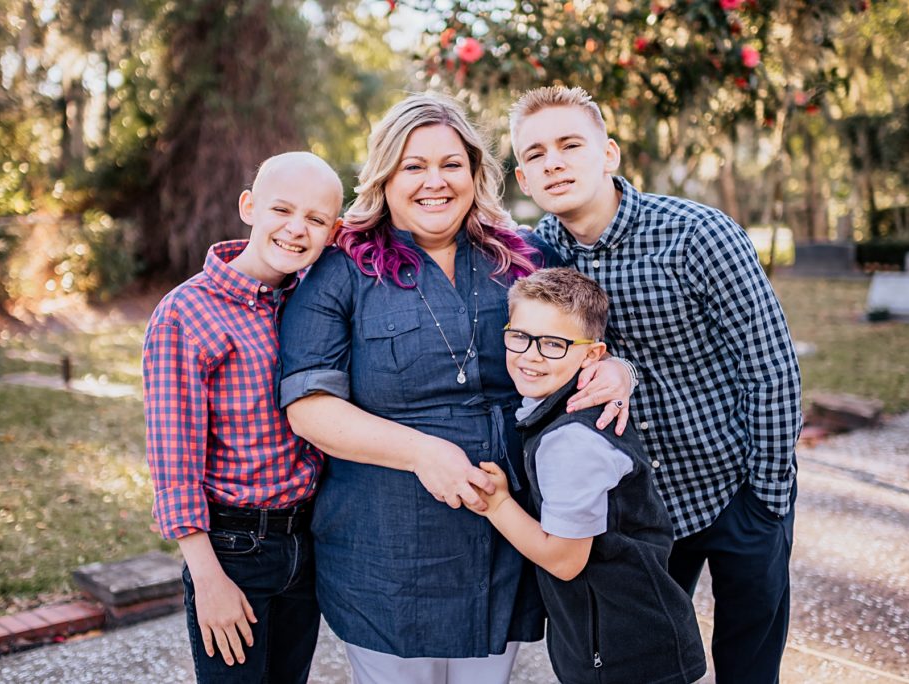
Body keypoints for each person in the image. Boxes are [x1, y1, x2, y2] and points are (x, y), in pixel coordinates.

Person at [276, 93, 633, 684]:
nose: (433, 182)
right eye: (413, 166)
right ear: (386, 178)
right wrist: (424, 453)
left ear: (475, 172)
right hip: (386, 548)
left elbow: (582, 344)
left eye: (451, 164)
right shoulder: (342, 269)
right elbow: (311, 408)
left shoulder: (524, 258)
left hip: (503, 537)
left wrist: (619, 370)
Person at [510, 85, 802, 684]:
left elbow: (770, 365)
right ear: (523, 174)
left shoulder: (696, 235)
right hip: (638, 507)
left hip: (732, 485)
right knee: (646, 664)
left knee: (750, 662)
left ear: (609, 154)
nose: (554, 162)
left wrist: (769, 496)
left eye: (570, 145)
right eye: (536, 154)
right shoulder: (536, 255)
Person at [143, 152, 343, 683]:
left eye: (317, 219)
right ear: (248, 206)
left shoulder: (312, 302)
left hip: (307, 540)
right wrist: (206, 576)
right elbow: (173, 461)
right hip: (234, 549)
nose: (297, 229)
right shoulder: (187, 313)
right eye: (282, 209)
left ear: (334, 231)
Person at [467, 267, 707, 684]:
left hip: (625, 651)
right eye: (520, 336)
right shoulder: (562, 409)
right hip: (613, 633)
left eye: (555, 344)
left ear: (593, 355)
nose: (531, 355)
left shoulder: (572, 442)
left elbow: (563, 560)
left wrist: (498, 504)